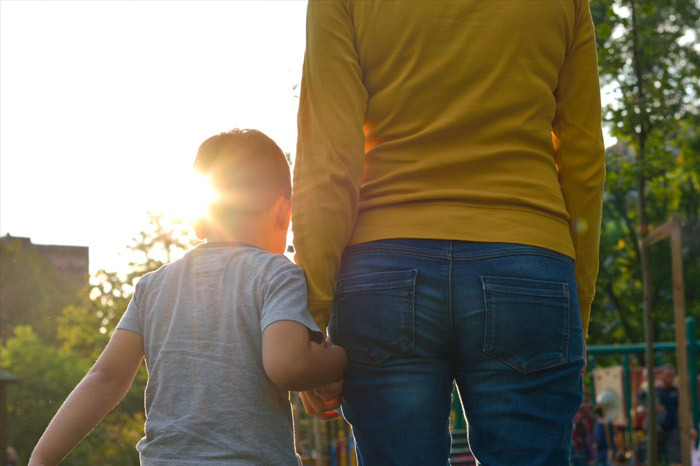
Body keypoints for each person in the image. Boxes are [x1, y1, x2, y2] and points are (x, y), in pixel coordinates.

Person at [293, 0, 606, 464]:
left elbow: (328, 156)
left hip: (383, 274)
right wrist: (573, 309)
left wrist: (311, 320)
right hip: (529, 262)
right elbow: (583, 157)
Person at [28, 129, 348, 466]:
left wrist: (41, 459)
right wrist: (341, 356)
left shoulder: (152, 287)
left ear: (197, 218)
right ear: (285, 213)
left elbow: (104, 378)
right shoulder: (278, 274)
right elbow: (290, 364)